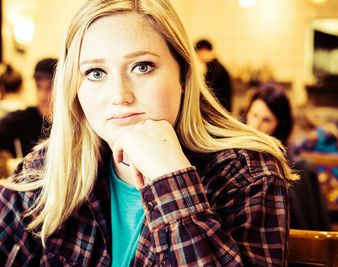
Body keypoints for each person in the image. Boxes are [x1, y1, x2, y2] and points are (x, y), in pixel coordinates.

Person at [0, 1, 297, 266]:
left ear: (183, 74)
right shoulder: (48, 167)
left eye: (142, 67)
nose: (120, 95)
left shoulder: (246, 174)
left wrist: (173, 181)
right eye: (95, 73)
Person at [244, 84, 330, 230]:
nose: (255, 126)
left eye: (266, 120)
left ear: (279, 125)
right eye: (254, 115)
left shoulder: (284, 162)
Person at [0, 58, 56, 157]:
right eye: (39, 87)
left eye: (49, 87)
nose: (43, 96)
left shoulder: (72, 123)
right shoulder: (21, 119)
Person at [195, 39, 233, 112]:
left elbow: (210, 93)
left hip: (219, 110)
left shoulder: (215, 69)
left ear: (204, 51)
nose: (198, 57)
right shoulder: (215, 66)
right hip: (221, 109)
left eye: (199, 53)